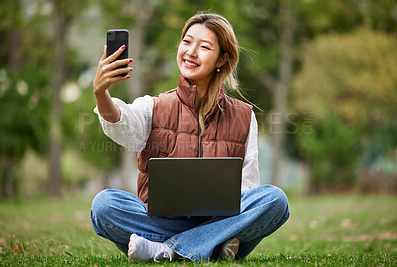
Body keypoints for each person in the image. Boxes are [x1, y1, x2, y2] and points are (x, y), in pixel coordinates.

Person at [90, 13, 289, 263]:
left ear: (222, 59)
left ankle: (166, 250)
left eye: (204, 47)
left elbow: (247, 187)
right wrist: (101, 93)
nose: (191, 52)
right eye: (187, 42)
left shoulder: (244, 116)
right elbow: (122, 121)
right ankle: (212, 248)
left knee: (274, 200)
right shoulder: (155, 106)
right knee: (104, 205)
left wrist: (222, 214)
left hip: (220, 221)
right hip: (161, 221)